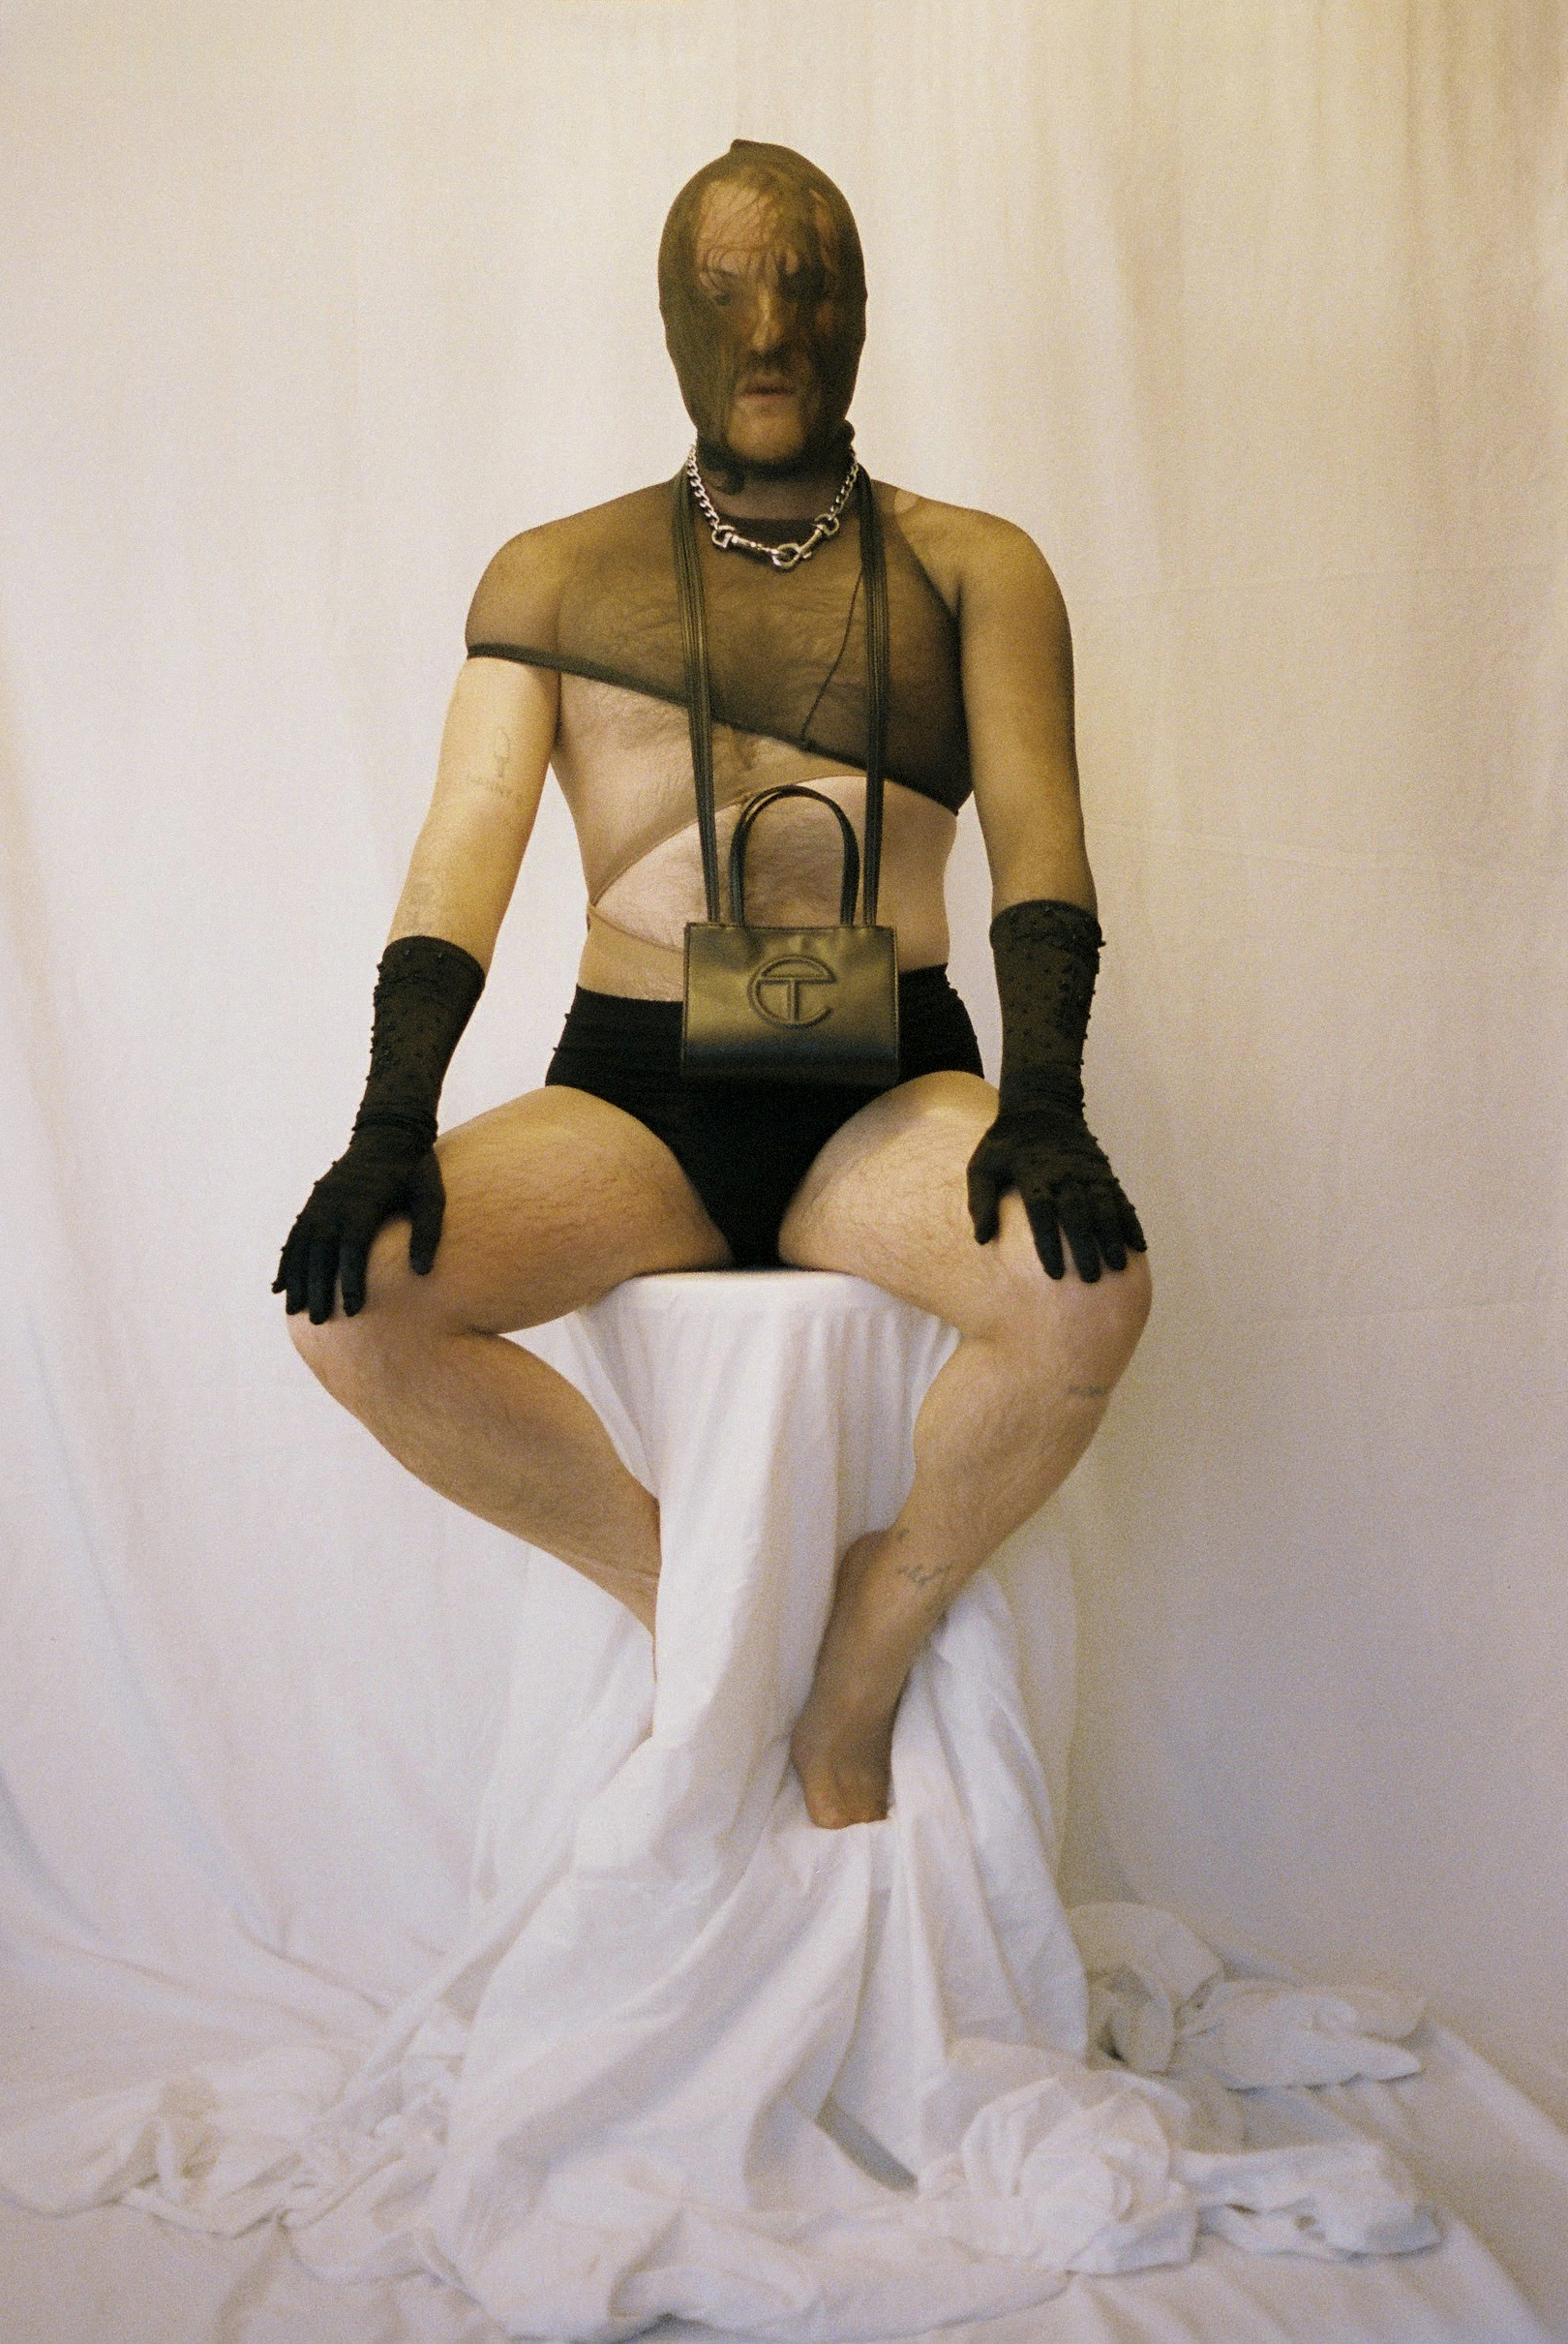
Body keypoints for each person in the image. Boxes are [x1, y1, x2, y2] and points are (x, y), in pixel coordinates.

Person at [274, 140, 1150, 1830]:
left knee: (1089, 1303)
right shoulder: (552, 573)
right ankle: (688, 1602)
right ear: (670, 321)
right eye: (727, 291)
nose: (770, 329)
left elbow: (1043, 840)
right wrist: (391, 1117)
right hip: (636, 1099)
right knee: (352, 1311)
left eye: (807, 288)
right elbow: (463, 848)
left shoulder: (976, 566)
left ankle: (865, 1645)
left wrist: (1045, 1097)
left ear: (861, 315)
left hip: (887, 1092)